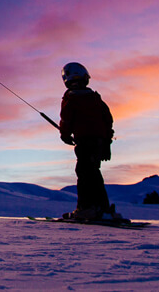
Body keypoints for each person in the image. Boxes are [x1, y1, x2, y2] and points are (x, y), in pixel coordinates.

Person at [58, 62, 119, 221]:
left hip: (86, 142)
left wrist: (65, 135)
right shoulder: (95, 98)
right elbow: (108, 120)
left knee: (85, 174)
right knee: (93, 173)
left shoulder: (70, 98)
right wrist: (106, 142)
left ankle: (87, 209)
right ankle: (102, 208)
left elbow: (66, 119)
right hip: (99, 142)